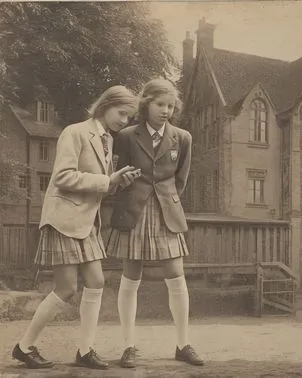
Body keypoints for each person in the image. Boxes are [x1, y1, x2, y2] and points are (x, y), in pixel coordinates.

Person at [12, 86, 139, 370]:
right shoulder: (76, 132)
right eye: (122, 114)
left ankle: (85, 350)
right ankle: (24, 346)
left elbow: (96, 186)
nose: (124, 121)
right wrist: (107, 181)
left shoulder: (106, 141)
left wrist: (116, 181)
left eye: (129, 118)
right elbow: (64, 178)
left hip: (85, 222)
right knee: (67, 288)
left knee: (96, 282)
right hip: (64, 219)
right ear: (106, 106)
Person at [106, 78, 203, 368]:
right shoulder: (125, 136)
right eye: (160, 104)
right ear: (146, 104)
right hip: (133, 210)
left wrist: (167, 200)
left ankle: (183, 344)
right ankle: (128, 346)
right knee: (130, 276)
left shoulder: (182, 138)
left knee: (176, 276)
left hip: (165, 211)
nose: (166, 111)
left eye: (171, 106)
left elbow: (180, 180)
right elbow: (116, 176)